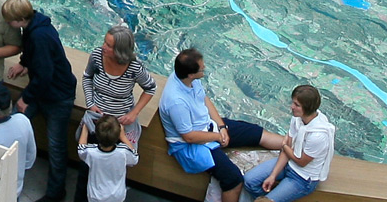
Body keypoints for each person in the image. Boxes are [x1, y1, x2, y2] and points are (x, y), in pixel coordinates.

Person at [158, 48, 284, 202]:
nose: (204, 68)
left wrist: (221, 126)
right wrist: (218, 136)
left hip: (208, 126)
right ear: (191, 74)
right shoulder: (176, 102)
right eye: (202, 68)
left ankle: (297, 146)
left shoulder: (189, 79)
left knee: (255, 132)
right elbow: (189, 137)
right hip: (192, 145)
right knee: (233, 179)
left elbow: (204, 99)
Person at [3, 0, 77, 202]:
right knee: (15, 122)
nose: (8, 24)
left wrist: (26, 98)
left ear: (19, 20)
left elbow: (45, 74)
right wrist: (24, 62)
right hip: (45, 89)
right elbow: (34, 53)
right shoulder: (34, 26)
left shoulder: (39, 36)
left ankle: (55, 193)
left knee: (56, 146)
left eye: (9, 21)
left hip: (57, 96)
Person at [74, 25, 156, 202]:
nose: (104, 47)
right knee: (85, 171)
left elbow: (150, 88)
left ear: (120, 51)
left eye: (109, 45)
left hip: (119, 127)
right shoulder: (97, 56)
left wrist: (134, 113)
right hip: (96, 121)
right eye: (105, 42)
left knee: (113, 171)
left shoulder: (135, 67)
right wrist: (90, 103)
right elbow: (87, 77)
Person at [244, 85, 335, 202]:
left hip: (303, 178)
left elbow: (301, 161)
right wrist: (273, 176)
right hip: (288, 164)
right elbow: (288, 150)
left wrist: (285, 146)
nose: (292, 107)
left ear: (307, 108)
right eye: (293, 103)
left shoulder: (318, 136)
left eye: (297, 105)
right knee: (249, 181)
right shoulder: (297, 119)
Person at [78, 115, 139, 202]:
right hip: (117, 195)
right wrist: (123, 137)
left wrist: (85, 128)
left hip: (96, 195)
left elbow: (81, 149)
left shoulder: (91, 152)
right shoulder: (123, 152)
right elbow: (135, 157)